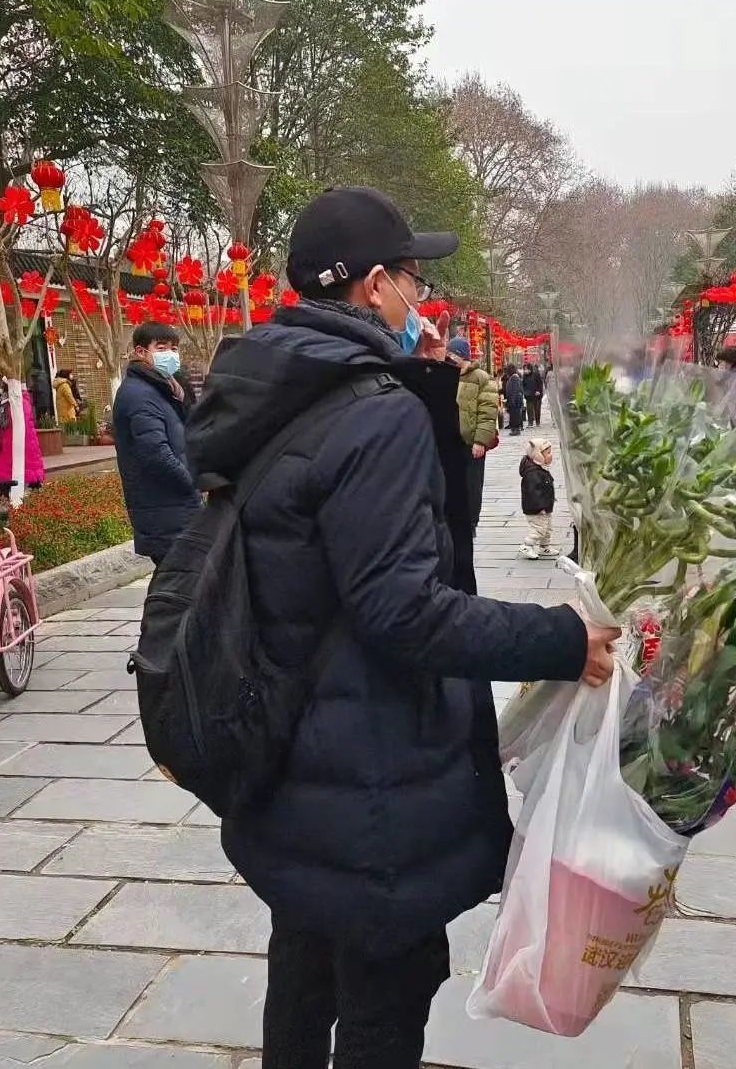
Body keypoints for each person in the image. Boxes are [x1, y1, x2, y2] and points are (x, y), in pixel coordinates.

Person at [185, 185, 619, 1069]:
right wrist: (562, 639)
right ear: (375, 286)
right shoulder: (367, 409)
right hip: (369, 776)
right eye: (415, 283)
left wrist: (437, 420)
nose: (424, 301)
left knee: (303, 975)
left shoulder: (277, 384)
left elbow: (372, 551)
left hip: (291, 761)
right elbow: (404, 608)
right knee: (385, 997)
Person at [112, 322, 201, 565]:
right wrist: (194, 481)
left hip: (175, 508)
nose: (170, 355)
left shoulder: (165, 388)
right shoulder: (140, 394)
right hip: (164, 510)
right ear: (141, 352)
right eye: (161, 348)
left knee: (180, 587)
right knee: (178, 588)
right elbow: (156, 454)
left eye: (174, 348)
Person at [451, 335, 498, 536]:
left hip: (472, 442)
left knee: (472, 484)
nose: (449, 357)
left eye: (452, 354)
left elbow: (488, 413)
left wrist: (480, 441)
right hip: (452, 441)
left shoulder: (482, 378)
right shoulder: (447, 375)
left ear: (463, 356)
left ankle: (471, 523)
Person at [0, 381, 45, 497]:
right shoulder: (15, 402)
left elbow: (15, 422)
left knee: (15, 463)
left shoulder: (16, 403)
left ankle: (20, 488)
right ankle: (29, 486)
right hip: (18, 440)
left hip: (17, 440)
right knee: (20, 463)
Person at [519, 437, 559, 560]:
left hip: (545, 506)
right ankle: (527, 545)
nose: (551, 455)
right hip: (537, 508)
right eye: (548, 453)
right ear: (538, 455)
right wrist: (540, 506)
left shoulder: (540, 468)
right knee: (539, 529)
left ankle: (544, 546)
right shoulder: (532, 473)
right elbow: (533, 493)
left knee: (547, 528)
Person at [504, 364, 524, 435]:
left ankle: (516, 429)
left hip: (515, 400)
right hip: (513, 400)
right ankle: (514, 429)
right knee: (513, 415)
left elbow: (515, 390)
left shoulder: (514, 377)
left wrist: (512, 400)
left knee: (515, 415)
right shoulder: (512, 377)